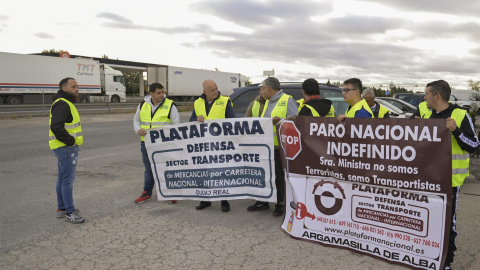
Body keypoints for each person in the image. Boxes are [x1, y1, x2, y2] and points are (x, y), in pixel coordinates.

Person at [422, 80, 479, 270]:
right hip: (429, 180)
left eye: (427, 94)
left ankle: (446, 262)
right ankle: (430, 255)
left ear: (436, 95)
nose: (425, 97)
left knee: (447, 223)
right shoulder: (428, 116)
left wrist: (456, 131)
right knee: (429, 220)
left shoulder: (460, 115)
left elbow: (474, 146)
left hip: (450, 181)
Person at [247, 77, 298, 216]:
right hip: (265, 146)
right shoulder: (269, 102)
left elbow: (296, 121)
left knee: (278, 177)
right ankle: (263, 201)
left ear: (269, 89)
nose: (261, 91)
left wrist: (280, 121)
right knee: (265, 175)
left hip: (278, 147)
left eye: (263, 88)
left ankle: (280, 203)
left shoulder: (287, 100)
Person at [190, 79, 235, 212]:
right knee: (204, 172)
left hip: (220, 144)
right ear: (205, 92)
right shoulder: (197, 103)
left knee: (221, 172)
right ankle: (205, 199)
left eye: (216, 88)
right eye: (212, 90)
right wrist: (196, 119)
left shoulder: (225, 101)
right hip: (203, 144)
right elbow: (191, 120)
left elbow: (233, 121)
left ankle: (224, 200)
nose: (216, 91)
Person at [133, 83, 180, 204]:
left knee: (166, 168)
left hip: (164, 144)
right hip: (146, 143)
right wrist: (138, 129)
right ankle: (146, 193)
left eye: (163, 92)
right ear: (151, 93)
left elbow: (176, 125)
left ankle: (171, 193)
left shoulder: (170, 105)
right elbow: (136, 120)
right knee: (149, 169)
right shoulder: (143, 104)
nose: (162, 95)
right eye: (158, 93)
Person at [49, 77, 85, 223]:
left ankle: (62, 208)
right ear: (64, 89)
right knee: (68, 180)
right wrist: (70, 142)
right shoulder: (63, 104)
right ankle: (70, 212)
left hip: (61, 147)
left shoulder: (64, 102)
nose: (77, 89)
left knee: (62, 178)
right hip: (65, 147)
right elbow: (56, 126)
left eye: (77, 86)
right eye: (74, 86)